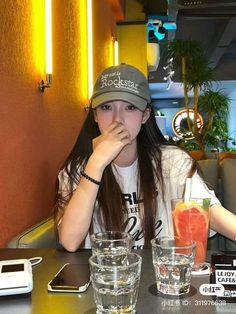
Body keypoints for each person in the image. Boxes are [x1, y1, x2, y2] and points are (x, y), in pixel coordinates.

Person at [55, 63, 236, 252]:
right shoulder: (77, 170)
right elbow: (70, 241)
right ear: (95, 115)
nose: (117, 119)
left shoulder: (170, 162)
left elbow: (208, 211)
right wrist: (96, 163)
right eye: (106, 107)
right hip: (107, 276)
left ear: (145, 115)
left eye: (130, 107)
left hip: (162, 274)